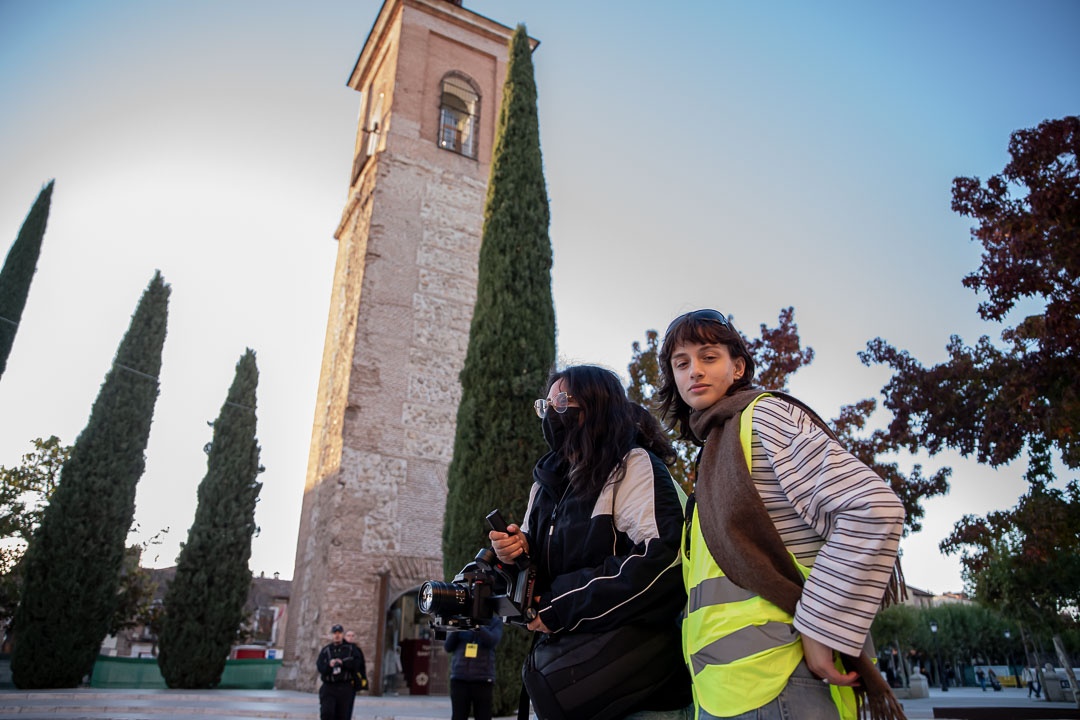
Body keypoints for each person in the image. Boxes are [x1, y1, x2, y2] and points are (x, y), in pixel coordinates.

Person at [657, 309, 907, 720]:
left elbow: (873, 506)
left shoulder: (762, 417)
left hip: (783, 684)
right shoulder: (715, 452)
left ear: (738, 367)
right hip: (729, 693)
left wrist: (819, 626)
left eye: (709, 357)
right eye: (681, 363)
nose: (694, 371)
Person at [490, 365, 692, 719]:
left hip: (637, 688)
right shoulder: (545, 486)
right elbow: (539, 577)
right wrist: (514, 555)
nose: (552, 415)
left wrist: (560, 606)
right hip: (572, 680)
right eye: (546, 405)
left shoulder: (631, 466)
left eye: (562, 403)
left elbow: (663, 561)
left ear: (598, 405)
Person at [444, 615, 503, 720]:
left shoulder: (494, 621)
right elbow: (448, 646)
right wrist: (459, 625)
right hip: (459, 679)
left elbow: (492, 640)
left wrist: (477, 626)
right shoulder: (460, 619)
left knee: (483, 716)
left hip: (483, 680)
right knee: (458, 716)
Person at [317, 624, 364, 720]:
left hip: (344, 686)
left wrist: (343, 663)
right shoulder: (326, 650)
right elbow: (320, 667)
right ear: (332, 635)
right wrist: (329, 665)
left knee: (343, 715)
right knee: (327, 713)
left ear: (342, 635)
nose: (337, 635)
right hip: (329, 686)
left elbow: (357, 664)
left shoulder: (351, 649)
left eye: (339, 633)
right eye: (335, 633)